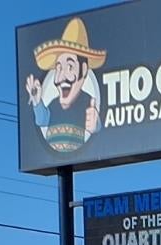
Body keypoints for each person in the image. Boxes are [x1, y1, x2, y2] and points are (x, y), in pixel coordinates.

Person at [25, 17, 106, 155]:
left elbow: (96, 127)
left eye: (70, 66)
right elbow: (41, 120)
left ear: (84, 69)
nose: (61, 77)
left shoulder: (88, 104)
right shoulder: (53, 105)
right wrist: (37, 102)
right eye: (58, 68)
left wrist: (96, 125)